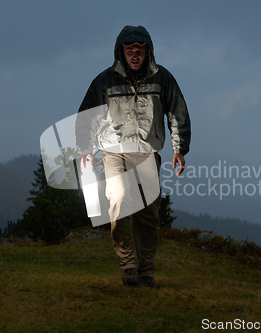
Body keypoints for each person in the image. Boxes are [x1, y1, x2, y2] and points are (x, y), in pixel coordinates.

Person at [77, 25, 191, 287]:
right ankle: (128, 265)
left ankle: (147, 271)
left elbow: (177, 113)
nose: (135, 55)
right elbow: (86, 116)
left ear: (148, 51)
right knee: (118, 201)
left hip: (148, 153)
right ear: (121, 52)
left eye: (140, 50)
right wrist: (84, 146)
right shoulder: (105, 81)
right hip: (113, 152)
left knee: (148, 213)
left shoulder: (163, 79)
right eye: (130, 50)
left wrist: (179, 149)